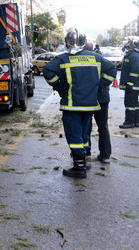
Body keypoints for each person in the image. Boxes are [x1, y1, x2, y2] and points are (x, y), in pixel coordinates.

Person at [43, 29, 116, 178]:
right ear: (83, 42)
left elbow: (47, 71)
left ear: (66, 42)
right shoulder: (95, 57)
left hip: (72, 104)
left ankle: (79, 167)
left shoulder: (62, 59)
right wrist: (99, 86)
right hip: (90, 104)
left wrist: (60, 87)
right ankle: (84, 161)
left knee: (73, 133)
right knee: (84, 132)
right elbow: (112, 69)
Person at [84, 40, 116, 164]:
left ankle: (85, 153)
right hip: (101, 98)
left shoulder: (86, 59)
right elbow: (111, 72)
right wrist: (101, 85)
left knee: (86, 126)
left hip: (89, 98)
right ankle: (105, 155)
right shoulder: (100, 59)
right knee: (103, 126)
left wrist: (99, 86)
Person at [119, 36, 139, 129]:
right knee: (135, 103)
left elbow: (134, 71)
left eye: (128, 42)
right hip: (134, 84)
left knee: (129, 104)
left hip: (133, 85)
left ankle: (129, 122)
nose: (126, 43)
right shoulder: (131, 54)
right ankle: (136, 122)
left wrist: (129, 83)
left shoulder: (134, 55)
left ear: (134, 44)